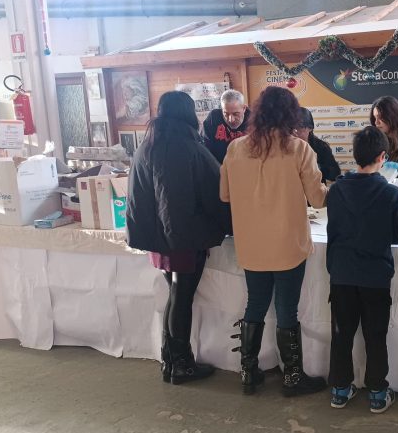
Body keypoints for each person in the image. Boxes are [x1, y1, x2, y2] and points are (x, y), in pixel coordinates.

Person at [221, 86, 328, 397]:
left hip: (251, 244)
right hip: (288, 244)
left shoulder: (235, 148)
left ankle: (248, 372)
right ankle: (292, 377)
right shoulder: (299, 149)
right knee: (286, 310)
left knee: (255, 303)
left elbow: (224, 195)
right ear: (291, 115)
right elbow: (318, 199)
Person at [126, 91, 232, 385]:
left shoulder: (147, 145)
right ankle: (182, 364)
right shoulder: (188, 147)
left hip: (160, 237)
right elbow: (214, 192)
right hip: (183, 236)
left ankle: (170, 360)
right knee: (181, 298)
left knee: (175, 297)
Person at [326, 126, 398, 414]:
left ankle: (340, 389)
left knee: (341, 334)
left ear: (354, 154)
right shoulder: (391, 194)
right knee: (375, 335)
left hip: (342, 274)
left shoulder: (336, 190)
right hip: (375, 276)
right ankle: (377, 392)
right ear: (383, 157)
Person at [202, 89, 251, 164]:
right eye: (226, 114)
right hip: (218, 166)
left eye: (236, 114)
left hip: (246, 166)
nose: (231, 120)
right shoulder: (213, 118)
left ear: (244, 108)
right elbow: (205, 149)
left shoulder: (254, 120)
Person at [294, 107, 341, 183]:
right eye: (292, 127)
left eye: (300, 127)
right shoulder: (284, 147)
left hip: (316, 188)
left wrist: (315, 166)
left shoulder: (321, 147)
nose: (295, 132)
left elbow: (335, 174)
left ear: (310, 128)